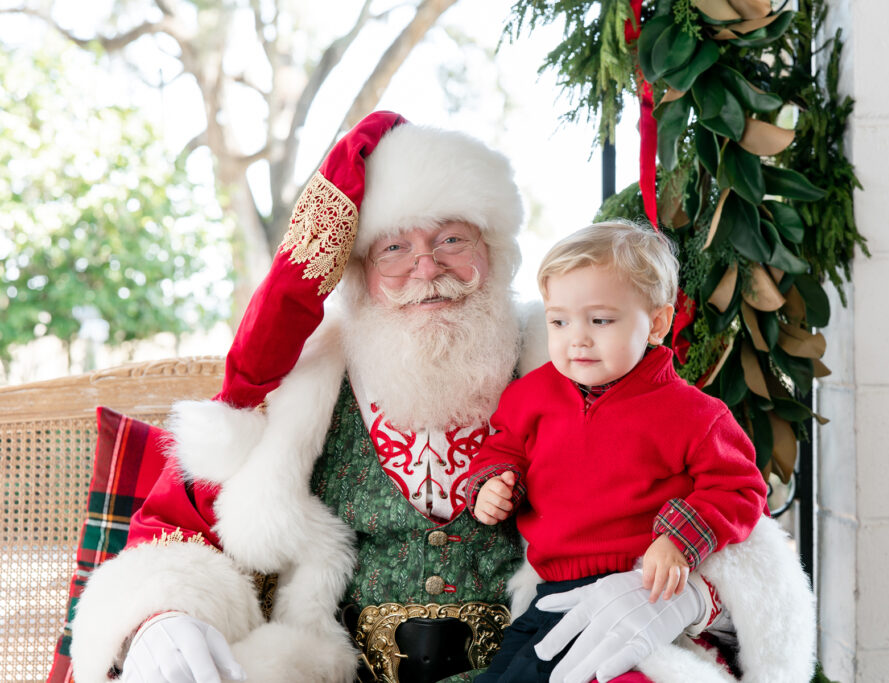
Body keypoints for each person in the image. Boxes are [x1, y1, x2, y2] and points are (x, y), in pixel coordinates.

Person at [69, 112, 818, 683]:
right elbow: (173, 534)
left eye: (454, 239)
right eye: (394, 247)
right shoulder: (299, 387)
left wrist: (689, 597)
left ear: (496, 256)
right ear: (360, 272)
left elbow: (739, 524)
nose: (427, 267)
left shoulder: (579, 363)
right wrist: (162, 616)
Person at [467, 222, 767, 682]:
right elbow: (503, 445)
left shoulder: (692, 413)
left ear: (658, 324)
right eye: (559, 320)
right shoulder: (531, 396)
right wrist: (494, 482)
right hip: (553, 594)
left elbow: (740, 488)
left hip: (643, 592)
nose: (577, 338)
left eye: (600, 320)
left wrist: (678, 540)